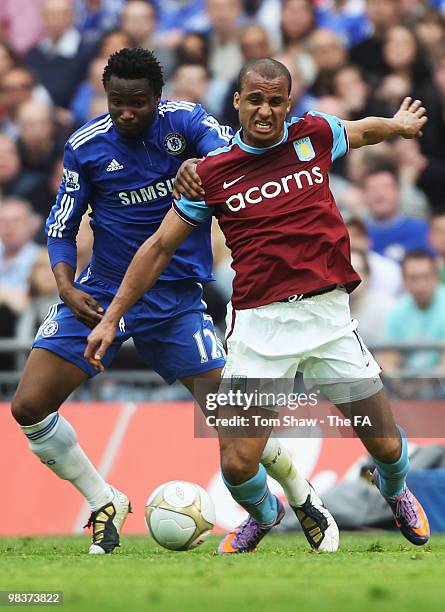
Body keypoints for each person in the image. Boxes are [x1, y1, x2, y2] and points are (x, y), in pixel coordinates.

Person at [85, 58, 431, 554]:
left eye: (275, 101)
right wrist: (113, 315)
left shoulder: (313, 134)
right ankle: (265, 513)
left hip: (328, 318)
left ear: (287, 104)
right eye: (255, 100)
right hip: (258, 327)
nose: (264, 111)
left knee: (387, 446)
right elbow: (159, 247)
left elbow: (359, 131)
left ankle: (395, 490)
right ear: (238, 102)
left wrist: (396, 126)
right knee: (237, 465)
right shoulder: (211, 174)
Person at [10, 48, 331, 555]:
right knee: (28, 405)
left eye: (138, 102)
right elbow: (61, 225)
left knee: (235, 418)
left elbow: (232, 152)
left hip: (175, 299)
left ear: (157, 98)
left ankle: (302, 498)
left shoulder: (185, 121)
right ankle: (104, 501)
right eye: (117, 102)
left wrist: (200, 164)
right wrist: (66, 285)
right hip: (99, 293)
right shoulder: (85, 145)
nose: (127, 112)